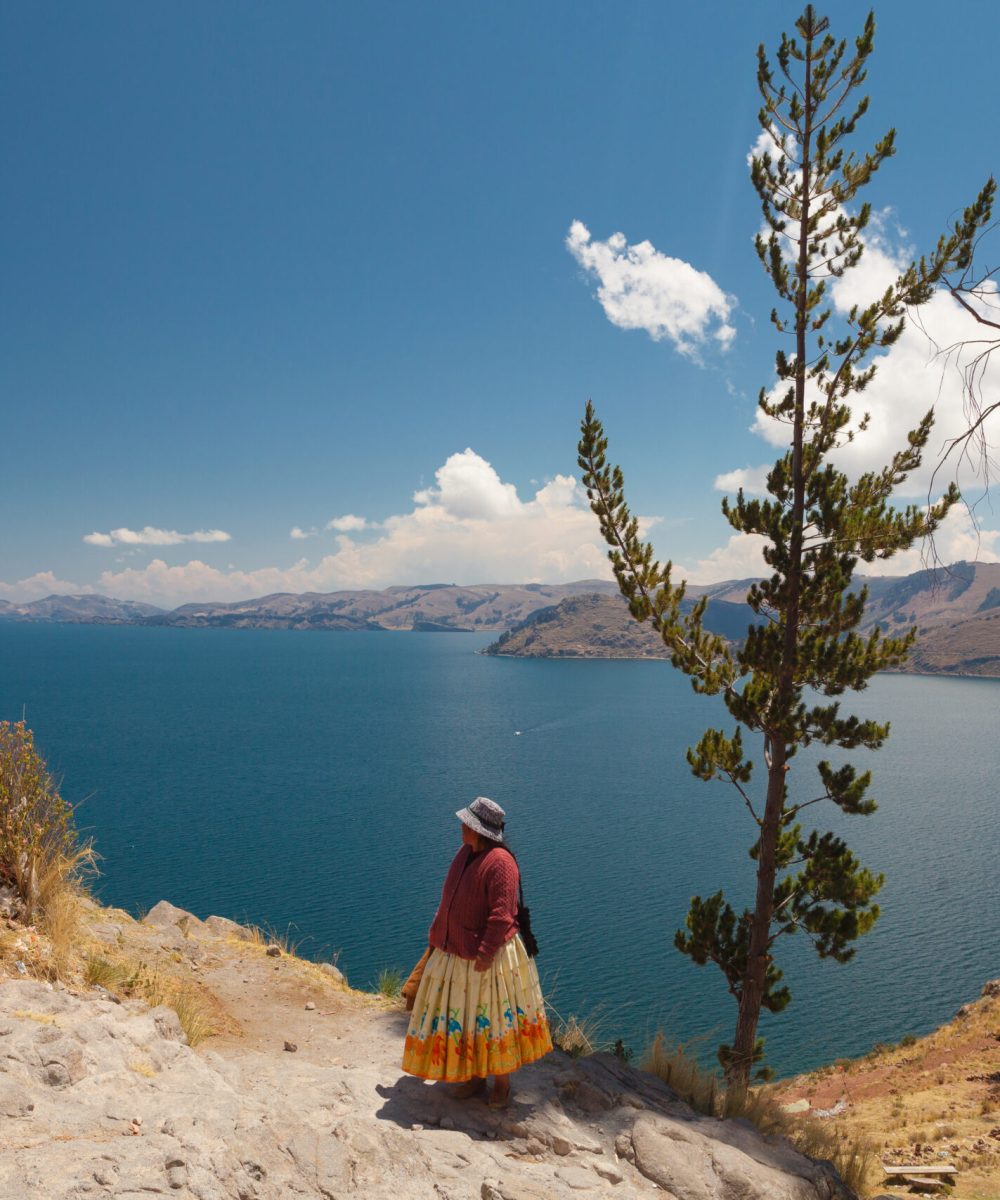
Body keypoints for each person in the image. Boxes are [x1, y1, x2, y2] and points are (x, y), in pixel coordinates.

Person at [401, 796, 552, 1106]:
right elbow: (449, 898)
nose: (461, 828)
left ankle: (502, 1083)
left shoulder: (501, 863)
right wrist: (436, 934)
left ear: (481, 830)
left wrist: (485, 952)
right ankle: (474, 1077)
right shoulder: (466, 853)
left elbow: (502, 915)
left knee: (495, 1020)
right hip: (456, 951)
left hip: (490, 959)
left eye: (466, 824)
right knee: (468, 1018)